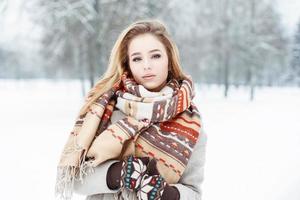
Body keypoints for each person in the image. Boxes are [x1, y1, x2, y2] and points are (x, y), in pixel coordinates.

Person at [55, 19, 207, 200]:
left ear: (169, 59)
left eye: (155, 56)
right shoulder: (105, 109)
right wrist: (117, 173)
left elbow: (194, 192)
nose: (147, 65)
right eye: (137, 58)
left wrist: (167, 194)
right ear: (128, 64)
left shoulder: (190, 125)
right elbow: (75, 180)